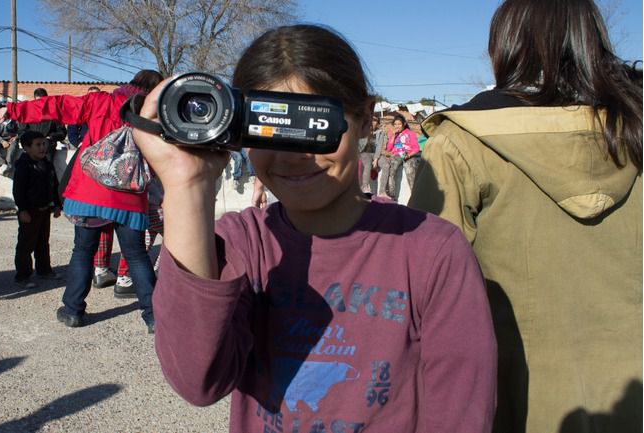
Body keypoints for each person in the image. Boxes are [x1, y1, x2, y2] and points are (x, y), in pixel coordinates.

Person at [134, 25, 497, 432]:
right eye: (269, 126)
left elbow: (460, 414)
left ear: (364, 121)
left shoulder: (433, 251)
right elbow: (198, 381)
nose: (294, 155)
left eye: (315, 128)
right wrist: (187, 184)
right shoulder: (242, 244)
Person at [408, 0, 642, 432]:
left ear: (507, 46)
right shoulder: (633, 130)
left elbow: (417, 293)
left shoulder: (462, 142)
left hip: (512, 402)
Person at [2, 69, 163, 331]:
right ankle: (154, 317)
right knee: (136, 256)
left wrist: (14, 111)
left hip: (91, 190)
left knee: (83, 251)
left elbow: (58, 105)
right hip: (130, 194)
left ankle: (74, 310)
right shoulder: (153, 113)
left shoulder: (100, 101)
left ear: (131, 82)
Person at [12, 130, 62, 289]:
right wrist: (23, 210)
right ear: (26, 147)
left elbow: (54, 185)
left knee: (42, 242)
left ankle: (44, 270)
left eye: (43, 144)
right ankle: (23, 275)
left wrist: (56, 205)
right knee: (26, 244)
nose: (42, 148)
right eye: (38, 145)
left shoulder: (47, 163)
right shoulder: (23, 165)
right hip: (30, 211)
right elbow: (18, 189)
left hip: (44, 210)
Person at [382, 114, 420, 201]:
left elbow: (416, 148)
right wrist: (394, 136)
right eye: (395, 124)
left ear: (404, 124)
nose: (397, 126)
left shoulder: (410, 134)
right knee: (391, 170)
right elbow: (389, 148)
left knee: (410, 172)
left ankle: (414, 197)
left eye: (399, 124)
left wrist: (408, 155)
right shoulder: (394, 134)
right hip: (397, 155)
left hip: (408, 155)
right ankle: (392, 195)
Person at [0, 103, 19, 178]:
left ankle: (9, 166)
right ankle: (1, 165)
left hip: (11, 140)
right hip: (1, 141)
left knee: (13, 148)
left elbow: (20, 130)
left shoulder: (13, 121)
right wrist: (2, 141)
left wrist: (16, 137)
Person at [357, 116, 383, 194]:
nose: (373, 122)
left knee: (386, 165)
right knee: (368, 163)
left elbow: (379, 146)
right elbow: (358, 145)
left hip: (374, 155)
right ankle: (365, 186)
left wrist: (376, 159)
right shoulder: (363, 131)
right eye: (371, 120)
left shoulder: (380, 133)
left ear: (378, 123)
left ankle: (383, 191)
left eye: (375, 120)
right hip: (364, 153)